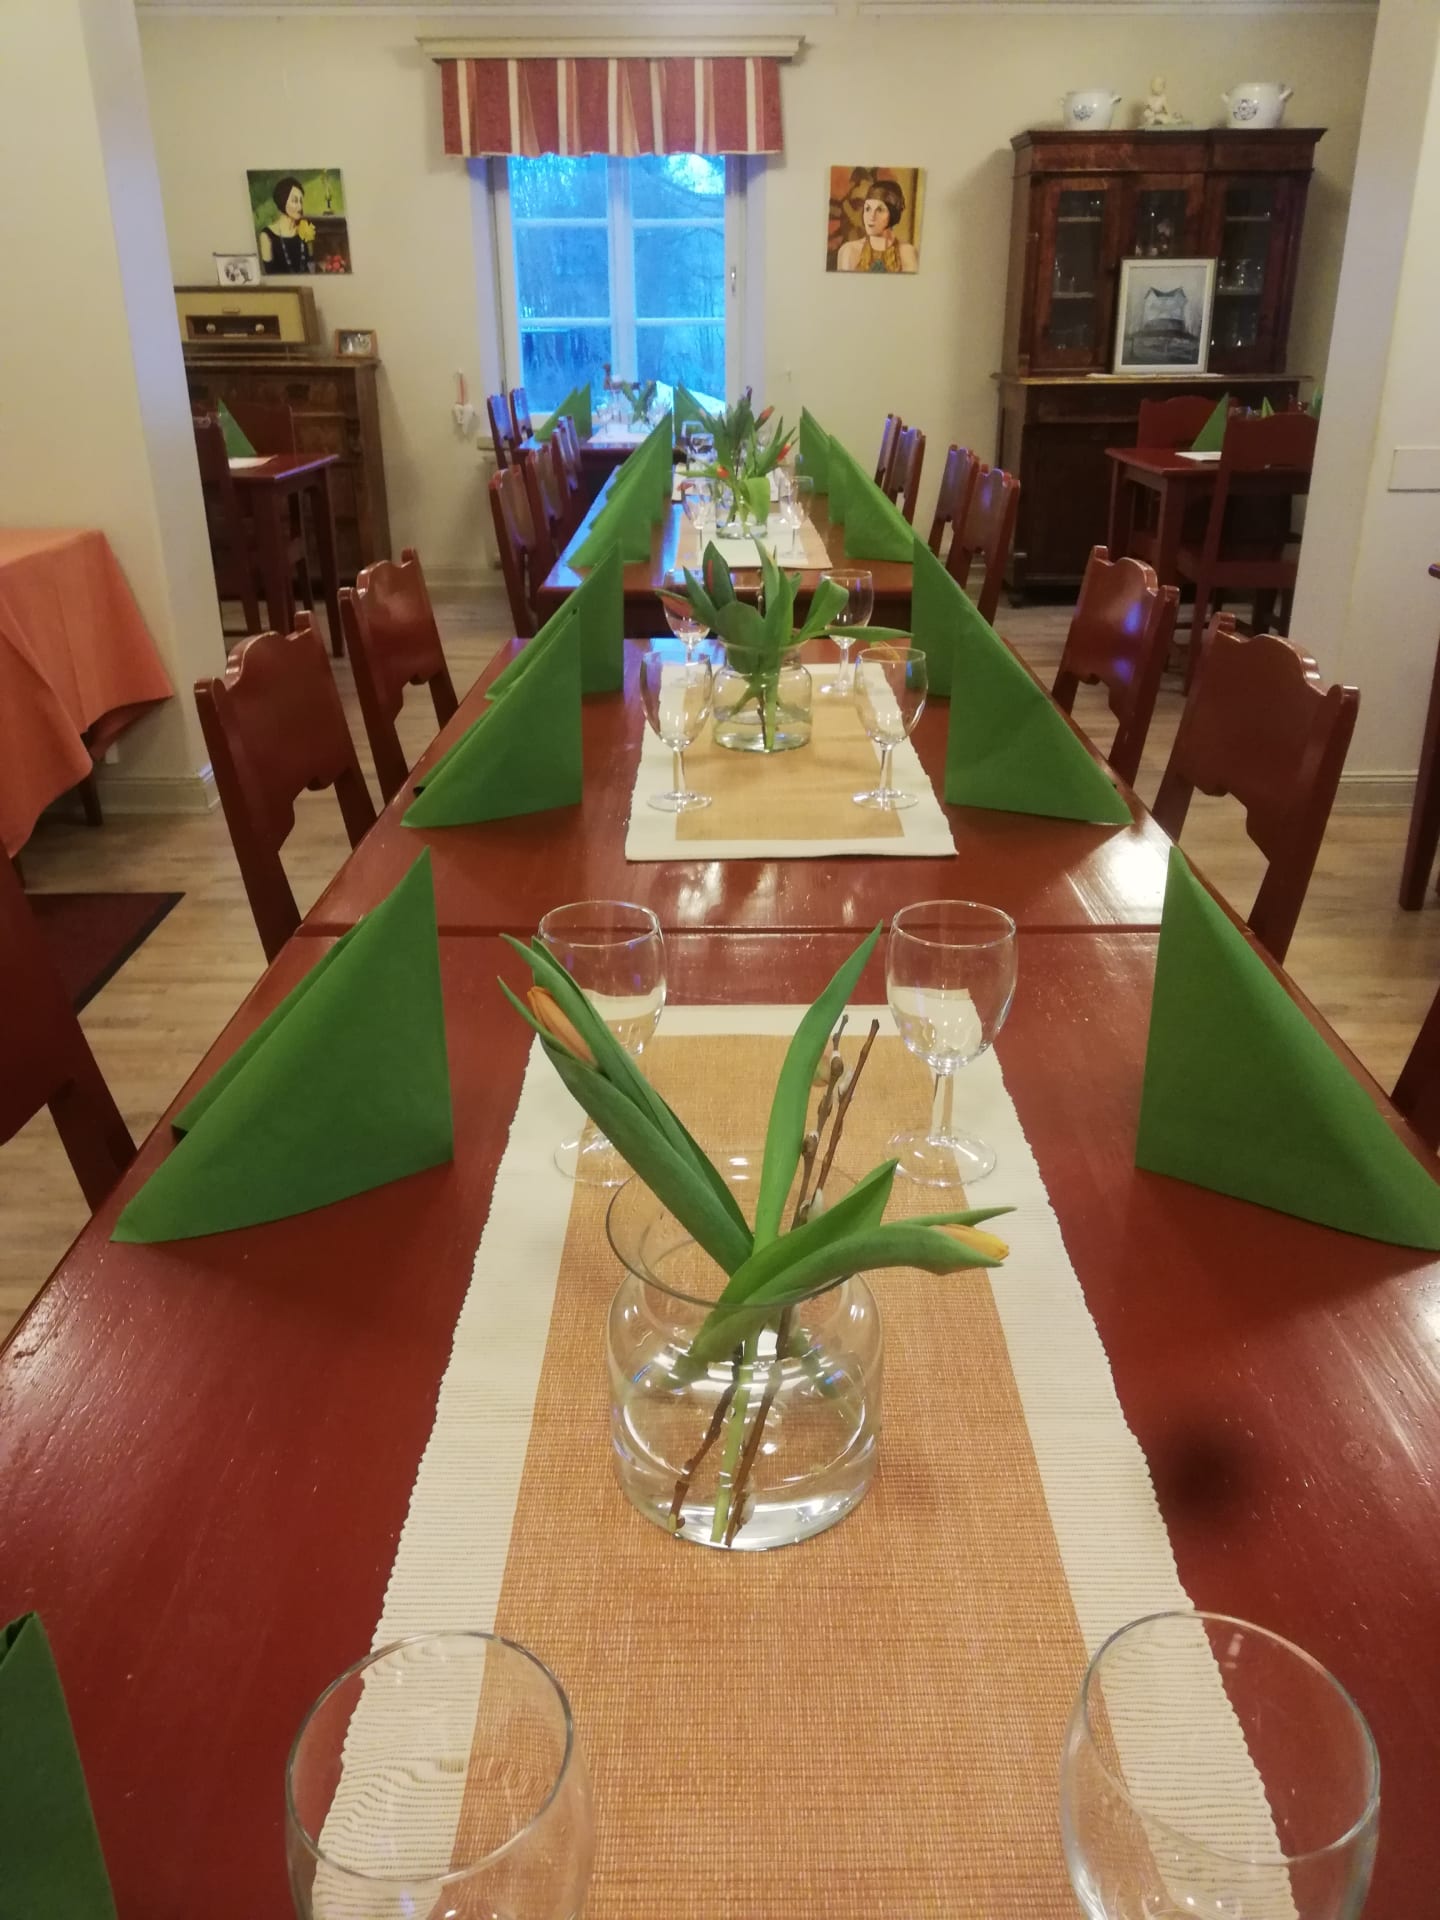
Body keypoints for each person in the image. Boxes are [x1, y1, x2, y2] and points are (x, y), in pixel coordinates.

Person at [836, 179, 918, 274]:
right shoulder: (850, 251)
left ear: (893, 214)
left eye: (879, 210)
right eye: (868, 209)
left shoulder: (907, 252)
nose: (871, 216)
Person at [258, 176, 313, 275]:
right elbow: (270, 274)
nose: (300, 206)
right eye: (295, 201)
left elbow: (311, 264)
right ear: (283, 201)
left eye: (301, 201)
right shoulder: (267, 235)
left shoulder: (304, 229)